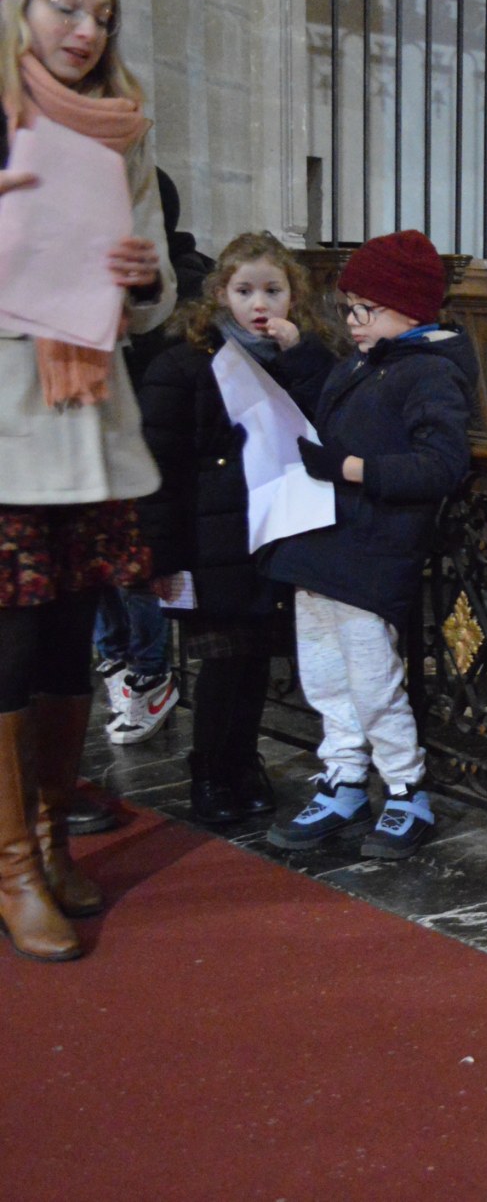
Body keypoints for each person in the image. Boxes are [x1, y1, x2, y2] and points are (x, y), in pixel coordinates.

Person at [0, 0, 174, 961]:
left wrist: (143, 278)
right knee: (12, 638)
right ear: (20, 9)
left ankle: (48, 831)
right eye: (67, 8)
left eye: (102, 16)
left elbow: (155, 307)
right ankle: (13, 865)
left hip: (91, 414)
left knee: (73, 628)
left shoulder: (122, 132)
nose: (85, 31)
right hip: (9, 412)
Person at [263, 230, 476, 861]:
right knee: (326, 676)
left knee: (373, 679)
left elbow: (441, 465)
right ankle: (345, 778)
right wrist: (299, 353)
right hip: (324, 543)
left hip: (374, 547)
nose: (353, 322)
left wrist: (350, 469)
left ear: (409, 310)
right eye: (348, 308)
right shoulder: (368, 360)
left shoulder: (431, 371)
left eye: (366, 309)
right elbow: (330, 401)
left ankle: (407, 790)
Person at [136, 232, 336, 825]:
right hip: (208, 542)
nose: (260, 304)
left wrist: (303, 356)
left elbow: (327, 417)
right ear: (221, 294)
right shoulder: (183, 362)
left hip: (274, 531)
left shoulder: (303, 354)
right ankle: (209, 771)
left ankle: (244, 763)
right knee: (222, 661)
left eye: (273, 290)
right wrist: (161, 557)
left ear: (292, 296)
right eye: (245, 290)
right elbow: (161, 465)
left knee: (256, 662)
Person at [92, 170, 212, 753]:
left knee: (138, 569)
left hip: (154, 451)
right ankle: (117, 665)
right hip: (101, 439)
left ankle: (150, 673)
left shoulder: (187, 282)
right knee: (96, 568)